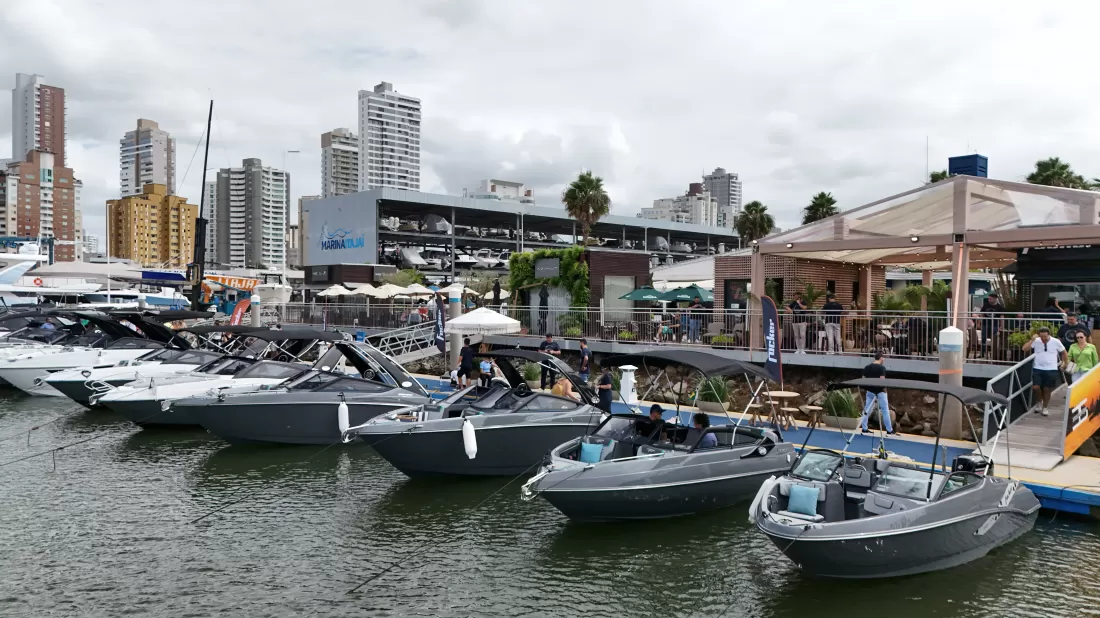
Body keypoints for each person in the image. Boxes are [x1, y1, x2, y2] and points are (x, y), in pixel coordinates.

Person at [1022, 327, 1066, 416]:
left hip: (1051, 368)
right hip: (1038, 368)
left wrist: (1064, 363)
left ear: (1048, 334)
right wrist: (1032, 340)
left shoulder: (1055, 341)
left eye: (1045, 337)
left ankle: (1045, 407)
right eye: (1041, 337)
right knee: (1036, 387)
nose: (1043, 339)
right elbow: (1024, 349)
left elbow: (1064, 352)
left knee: (1047, 389)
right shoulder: (1036, 340)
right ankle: (1039, 401)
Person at [860, 352, 896, 435]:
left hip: (870, 391)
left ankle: (864, 428)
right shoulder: (882, 368)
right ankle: (889, 430)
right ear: (881, 358)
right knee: (885, 410)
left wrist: (868, 388)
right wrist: (884, 390)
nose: (884, 360)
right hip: (880, 391)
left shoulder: (867, 367)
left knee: (867, 409)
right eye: (883, 358)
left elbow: (863, 379)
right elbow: (882, 380)